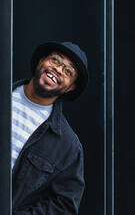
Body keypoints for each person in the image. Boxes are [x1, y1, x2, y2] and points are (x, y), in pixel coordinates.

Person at [11, 42, 88, 215]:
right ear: (41, 61)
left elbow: (64, 206)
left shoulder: (68, 146)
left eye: (68, 72)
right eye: (55, 60)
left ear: (70, 87)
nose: (59, 70)